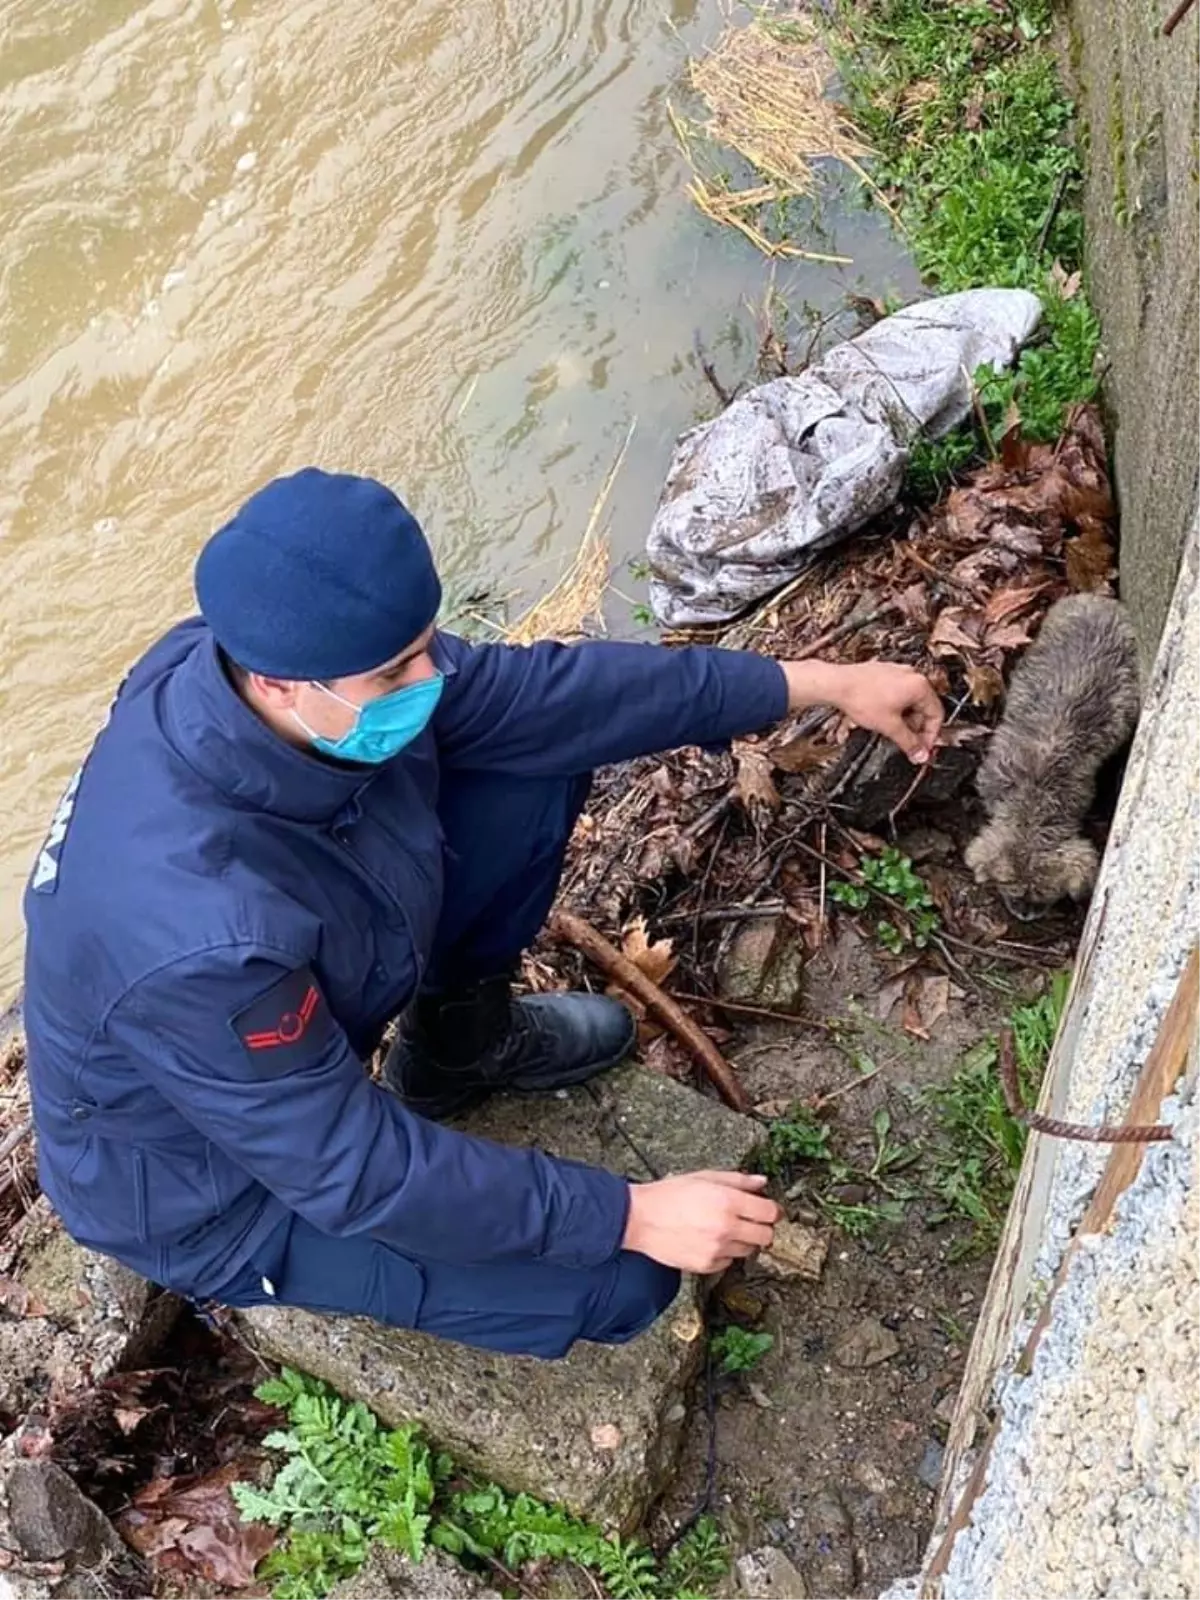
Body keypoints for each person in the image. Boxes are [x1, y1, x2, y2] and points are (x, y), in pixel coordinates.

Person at [22, 470, 943, 1360]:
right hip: (216, 1191)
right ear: (279, 684)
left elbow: (557, 697)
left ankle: (455, 1047)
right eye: (399, 669)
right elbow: (355, 1167)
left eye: (430, 641)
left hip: (299, 966)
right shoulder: (193, 937)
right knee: (625, 1283)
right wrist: (628, 1210)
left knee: (538, 749)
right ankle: (303, 1247)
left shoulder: (269, 666)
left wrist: (816, 682)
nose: (434, 675)